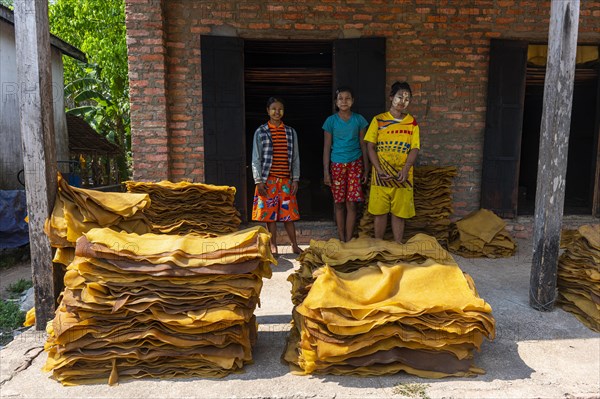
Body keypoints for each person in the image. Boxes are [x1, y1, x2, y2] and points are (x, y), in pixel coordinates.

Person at [364, 81, 420, 243]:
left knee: (399, 214)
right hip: (381, 177)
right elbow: (370, 147)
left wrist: (406, 168)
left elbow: (414, 148)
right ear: (391, 97)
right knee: (380, 213)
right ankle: (379, 246)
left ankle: (397, 246)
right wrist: (378, 169)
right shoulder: (378, 120)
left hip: (403, 176)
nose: (403, 101)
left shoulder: (412, 123)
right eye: (399, 97)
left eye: (407, 98)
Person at [251, 97, 303, 255]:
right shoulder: (261, 132)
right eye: (273, 108)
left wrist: (295, 179)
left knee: (289, 216)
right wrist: (258, 180)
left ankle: (294, 244)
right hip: (269, 181)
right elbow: (256, 158)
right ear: (268, 110)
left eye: (280, 109)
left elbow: (295, 158)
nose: (277, 112)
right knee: (270, 215)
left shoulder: (290, 132)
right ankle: (273, 246)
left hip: (286, 181)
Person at [322, 86, 369, 242]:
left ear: (352, 101)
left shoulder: (359, 120)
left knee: (351, 204)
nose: (344, 101)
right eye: (340, 98)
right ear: (336, 102)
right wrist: (326, 172)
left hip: (355, 164)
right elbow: (327, 147)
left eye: (347, 98)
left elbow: (364, 145)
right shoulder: (331, 121)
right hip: (336, 165)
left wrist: (366, 168)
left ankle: (349, 239)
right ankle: (341, 238)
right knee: (339, 203)